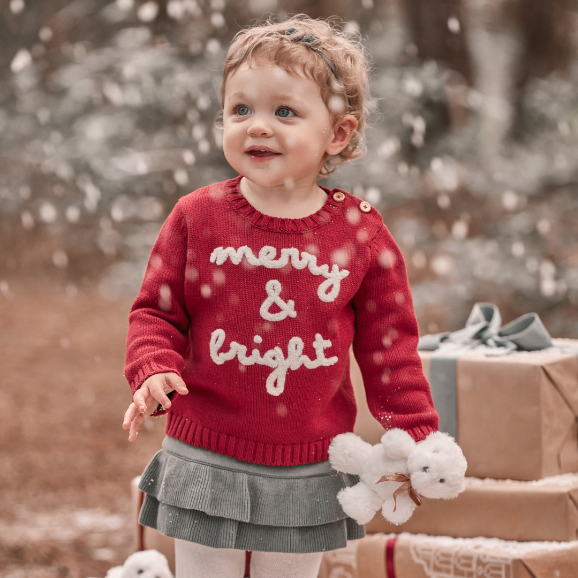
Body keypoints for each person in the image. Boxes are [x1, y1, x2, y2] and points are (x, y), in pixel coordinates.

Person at [122, 14, 439, 578]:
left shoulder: (360, 234)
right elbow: (156, 310)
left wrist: (413, 430)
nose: (257, 127)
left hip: (308, 458)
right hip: (206, 449)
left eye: (284, 112)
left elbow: (391, 345)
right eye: (240, 110)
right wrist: (152, 365)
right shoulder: (197, 216)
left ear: (336, 134)